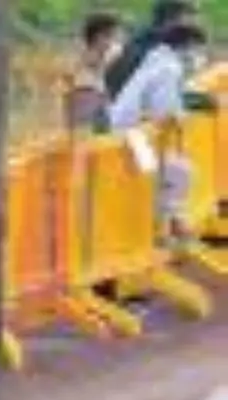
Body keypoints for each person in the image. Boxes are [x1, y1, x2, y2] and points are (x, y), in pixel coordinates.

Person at [109, 17, 210, 240]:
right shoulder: (169, 68)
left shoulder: (159, 62)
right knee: (177, 171)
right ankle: (164, 228)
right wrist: (181, 118)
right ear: (187, 45)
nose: (199, 56)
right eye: (197, 49)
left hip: (129, 133)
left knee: (171, 172)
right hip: (133, 135)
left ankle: (168, 225)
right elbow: (164, 111)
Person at [105, 0, 199, 96]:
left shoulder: (141, 40)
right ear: (174, 18)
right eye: (191, 14)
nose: (196, 21)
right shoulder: (159, 52)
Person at [69, 13, 128, 132]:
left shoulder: (102, 65)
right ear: (99, 38)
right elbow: (83, 126)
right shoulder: (84, 79)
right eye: (112, 37)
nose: (115, 43)